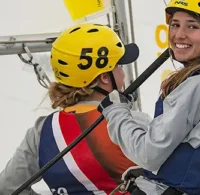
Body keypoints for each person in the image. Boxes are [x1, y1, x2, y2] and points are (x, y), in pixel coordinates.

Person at [98, 0, 200, 194]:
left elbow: (147, 154)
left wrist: (115, 112)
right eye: (175, 25)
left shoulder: (198, 86)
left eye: (192, 26)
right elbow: (197, 147)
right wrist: (154, 173)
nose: (179, 35)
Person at [0, 23, 150, 195]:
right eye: (119, 66)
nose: (123, 74)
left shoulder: (41, 131)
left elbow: (6, 188)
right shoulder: (135, 123)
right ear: (104, 77)